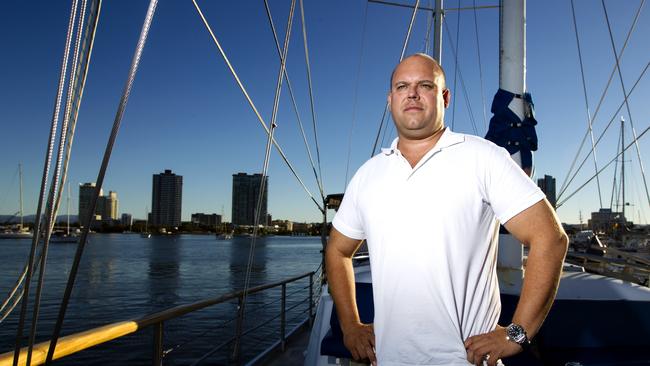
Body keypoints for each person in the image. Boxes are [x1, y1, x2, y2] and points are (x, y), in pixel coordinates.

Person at [325, 53, 568, 366]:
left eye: (424, 85)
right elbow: (337, 251)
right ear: (390, 100)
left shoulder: (482, 158)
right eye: (402, 86)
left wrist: (517, 333)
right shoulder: (368, 175)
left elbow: (550, 238)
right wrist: (351, 327)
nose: (411, 93)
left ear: (445, 97)